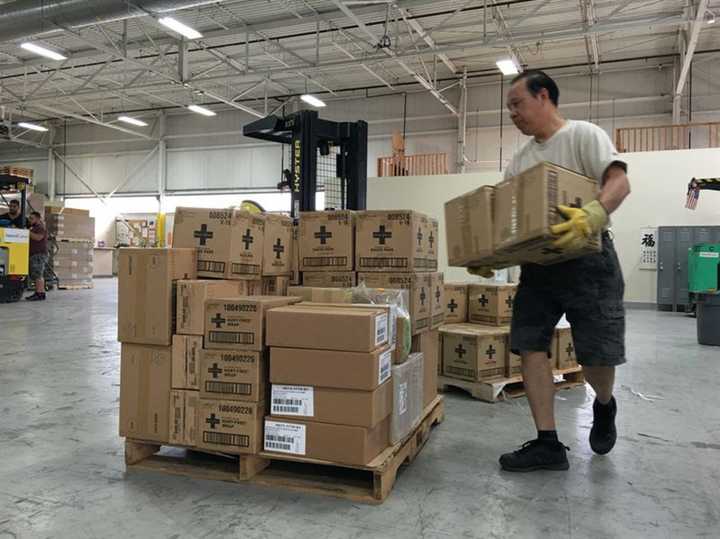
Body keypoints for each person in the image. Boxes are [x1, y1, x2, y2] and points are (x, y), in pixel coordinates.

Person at [472, 70, 631, 472]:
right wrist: (491, 255)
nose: (512, 113)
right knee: (529, 344)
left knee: (596, 355)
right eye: (509, 107)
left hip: (588, 260)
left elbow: (619, 182)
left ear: (543, 96)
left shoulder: (584, 135)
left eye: (516, 103)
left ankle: (605, 403)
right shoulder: (520, 160)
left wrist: (593, 213)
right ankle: (548, 443)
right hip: (540, 268)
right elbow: (508, 219)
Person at [27, 211, 49, 301]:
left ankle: (40, 293)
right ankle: (39, 292)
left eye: (32, 218)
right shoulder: (34, 227)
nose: (30, 220)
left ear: (38, 219)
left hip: (39, 255)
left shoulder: (40, 227)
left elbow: (38, 237)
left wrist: (27, 232)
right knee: (36, 274)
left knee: (38, 274)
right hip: (35, 255)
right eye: (29, 218)